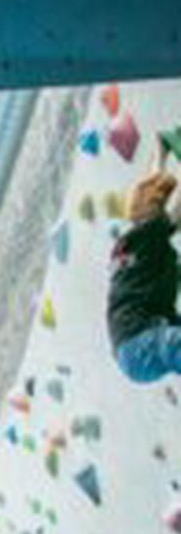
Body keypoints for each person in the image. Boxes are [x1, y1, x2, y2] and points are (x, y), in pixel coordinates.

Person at [108, 142, 181, 383]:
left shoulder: (139, 241)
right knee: (173, 343)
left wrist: (161, 151)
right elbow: (164, 207)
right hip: (140, 340)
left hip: (132, 352)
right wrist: (162, 153)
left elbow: (154, 198)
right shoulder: (148, 232)